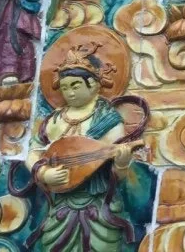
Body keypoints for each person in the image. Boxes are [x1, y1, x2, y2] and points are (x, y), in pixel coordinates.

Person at [22, 43, 148, 252]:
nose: (69, 92)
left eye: (75, 86)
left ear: (94, 85)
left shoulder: (107, 119)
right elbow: (34, 152)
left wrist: (122, 164)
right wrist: (43, 173)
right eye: (64, 87)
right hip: (61, 204)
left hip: (97, 203)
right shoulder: (54, 121)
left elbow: (115, 169)